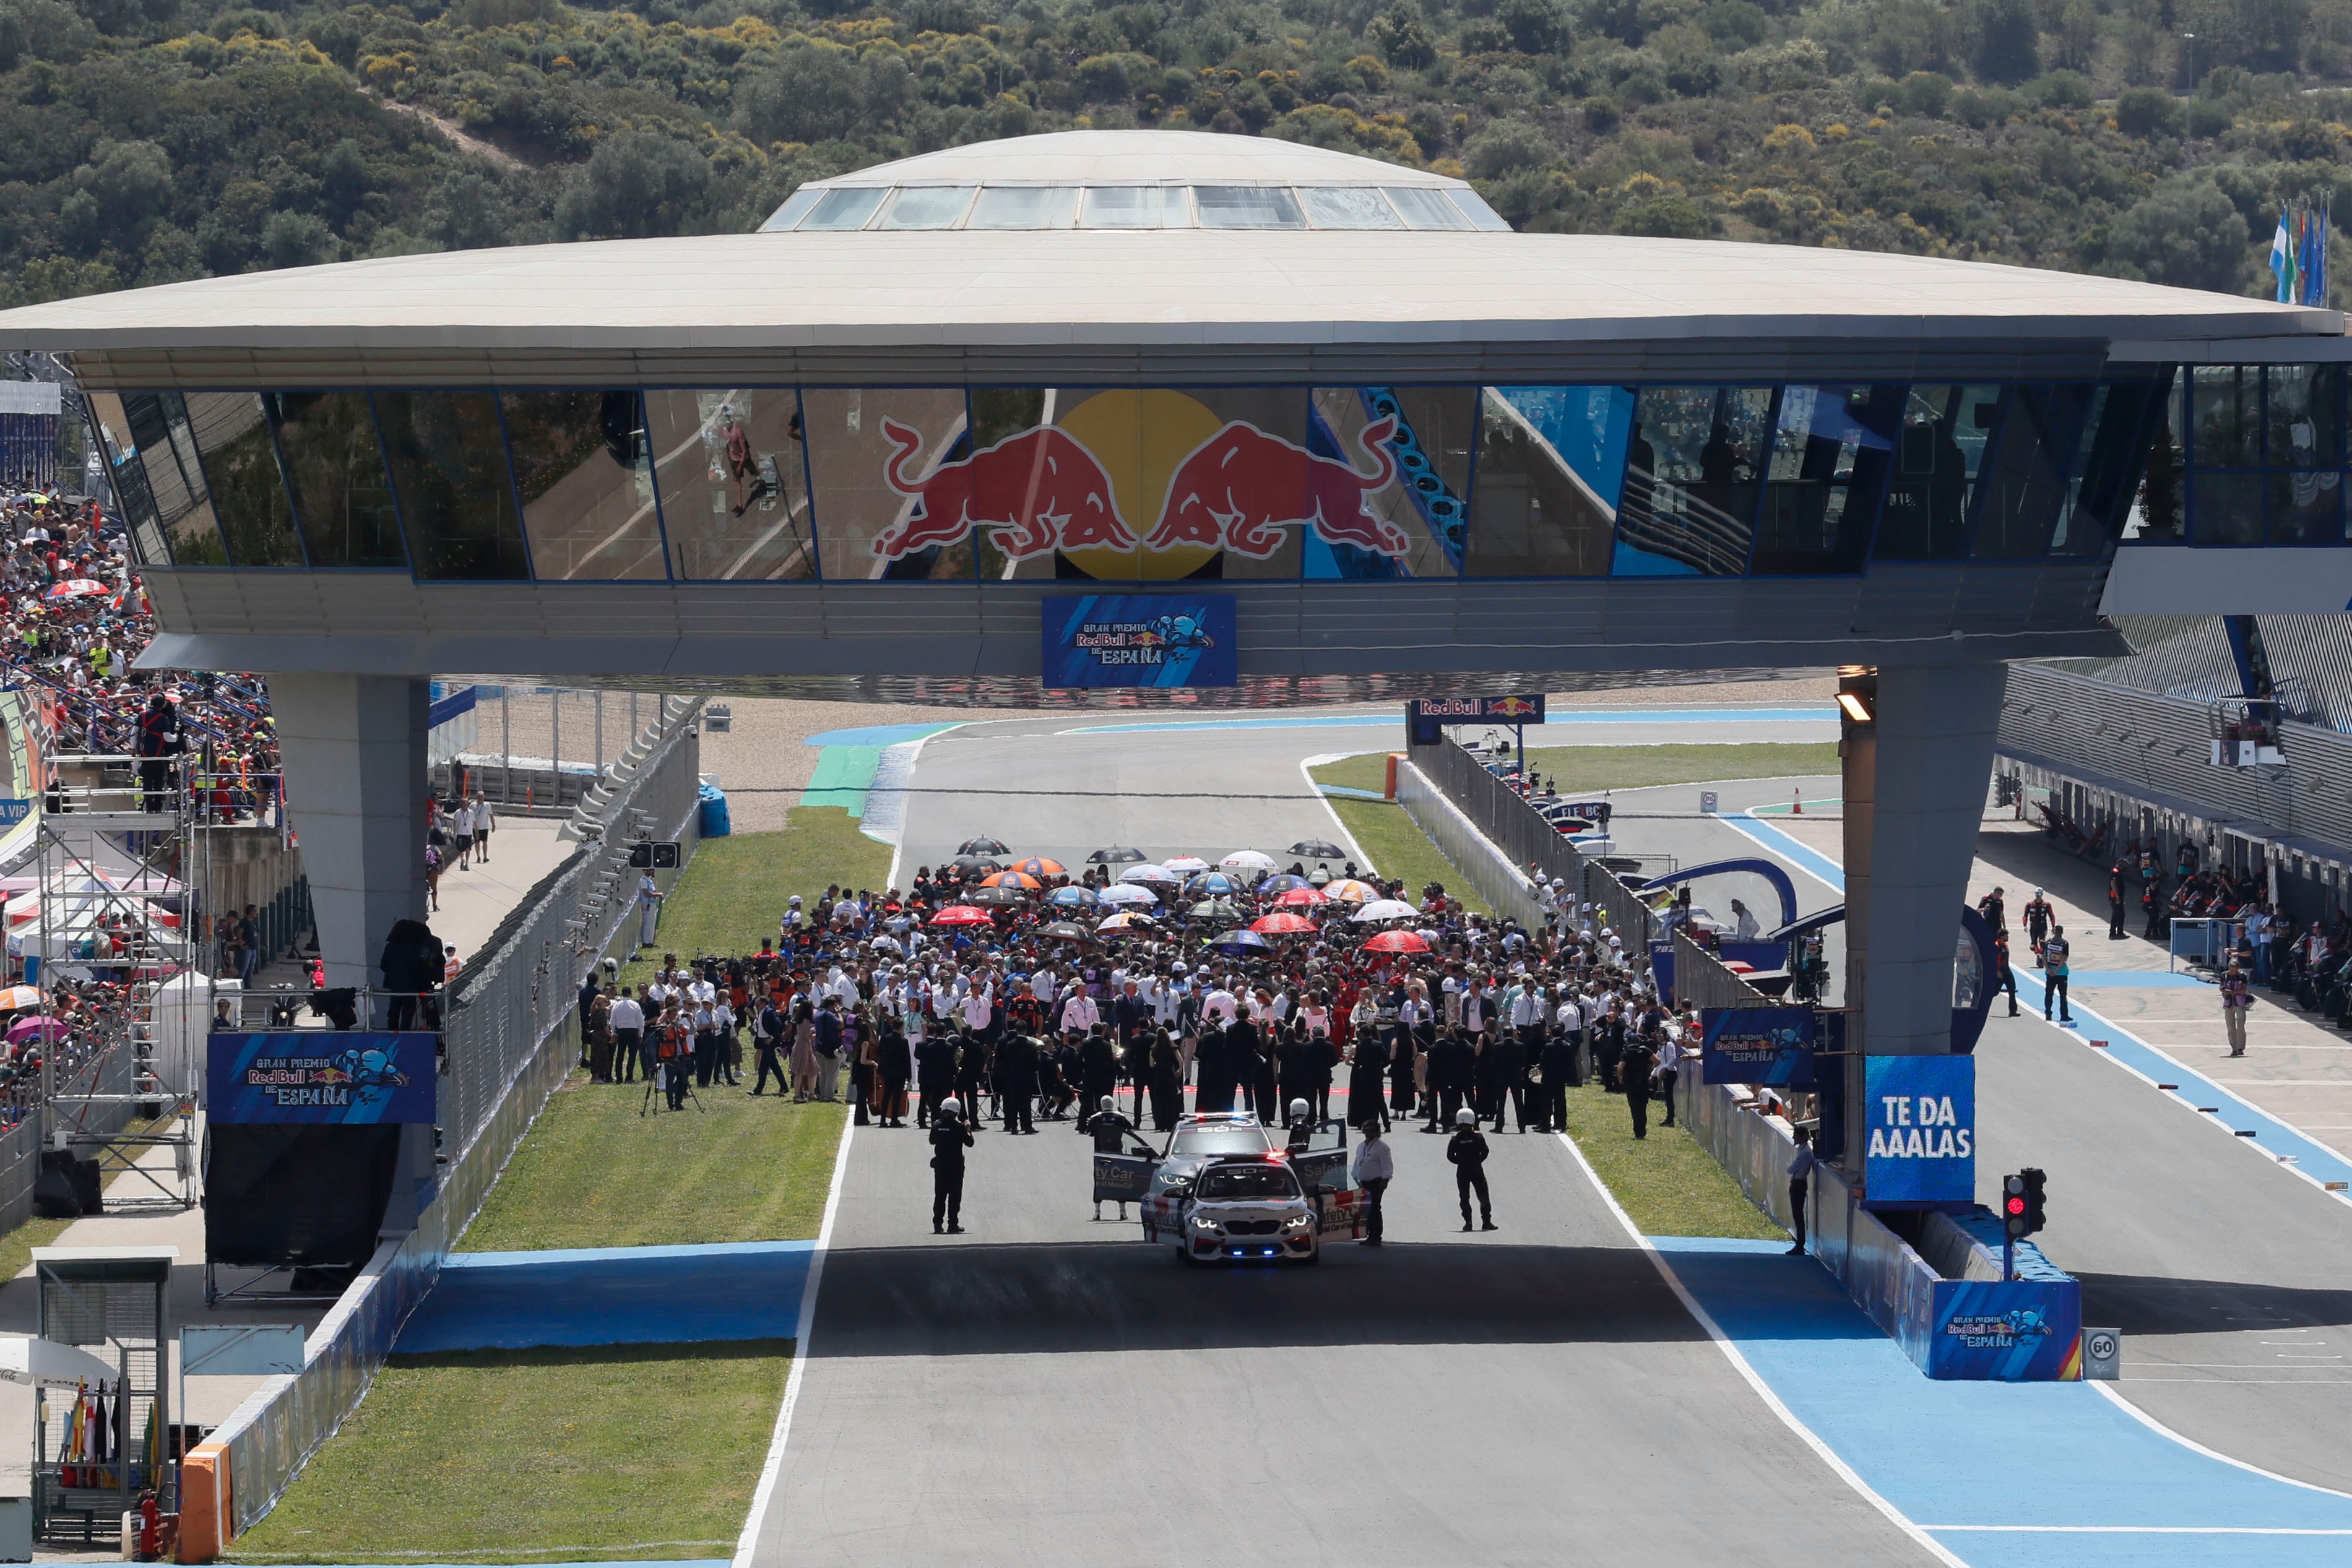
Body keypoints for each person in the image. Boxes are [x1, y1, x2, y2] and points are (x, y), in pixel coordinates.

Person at [1087, 1095, 1142, 1218]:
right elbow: (1131, 1131)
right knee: (1120, 1181)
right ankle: (1123, 1212)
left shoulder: (1096, 1118)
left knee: (1099, 1181)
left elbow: (1089, 1131)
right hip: (1117, 1154)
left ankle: (1097, 1213)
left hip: (1101, 1154)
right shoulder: (1120, 1118)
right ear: (1112, 1105)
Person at [1446, 1106, 1495, 1231]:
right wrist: (1477, 1161)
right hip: (1476, 1170)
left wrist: (1461, 1162)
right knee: (1483, 1195)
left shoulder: (1455, 1139)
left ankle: (1468, 1223)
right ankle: (1486, 1221)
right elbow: (1485, 1152)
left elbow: (1450, 1156)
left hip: (1462, 1171)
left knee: (1464, 1197)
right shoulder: (1478, 1137)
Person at [930, 1097, 973, 1234]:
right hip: (955, 1166)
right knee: (954, 1195)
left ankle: (938, 1224)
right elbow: (970, 1143)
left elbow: (932, 1141)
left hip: (940, 1165)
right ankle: (953, 1224)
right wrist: (968, 1129)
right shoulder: (959, 1127)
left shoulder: (937, 1125)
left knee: (940, 1194)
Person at [1351, 1118, 1392, 1247]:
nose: (1369, 1133)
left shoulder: (1382, 1147)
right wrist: (1355, 1177)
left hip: (1376, 1182)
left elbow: (1388, 1166)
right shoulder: (1361, 1146)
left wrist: (1385, 1180)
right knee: (1366, 1209)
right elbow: (1358, 1162)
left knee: (1375, 1208)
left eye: (1372, 1131)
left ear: (1378, 1132)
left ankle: (1376, 1236)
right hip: (1364, 1182)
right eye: (1367, 1130)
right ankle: (1369, 1235)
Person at [1619, 1028, 1658, 1140]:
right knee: (1643, 1107)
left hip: (1631, 1083)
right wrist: (1650, 1070)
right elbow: (1657, 1061)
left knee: (1635, 1108)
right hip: (1643, 1083)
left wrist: (1620, 1078)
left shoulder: (1626, 1053)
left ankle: (1638, 1133)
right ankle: (1643, 1131)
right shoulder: (1645, 1051)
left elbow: (1621, 1067)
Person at [998, 1030, 1037, 1134]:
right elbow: (1035, 1063)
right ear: (1025, 1030)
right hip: (1027, 1078)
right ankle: (1027, 1126)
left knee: (1014, 1103)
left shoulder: (1010, 1045)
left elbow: (1006, 1062)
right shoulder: (1030, 1045)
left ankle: (1013, 1127)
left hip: (1013, 1078)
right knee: (1026, 1103)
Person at [1786, 1126, 1816, 1256]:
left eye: (1796, 1135)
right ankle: (1799, 1243)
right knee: (1797, 1215)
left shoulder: (1806, 1153)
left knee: (1798, 1215)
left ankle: (1800, 1245)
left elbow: (1791, 1169)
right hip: (1798, 1183)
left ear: (1803, 1137)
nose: (1793, 1137)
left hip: (1799, 1184)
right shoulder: (1803, 1151)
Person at [751, 990, 787, 1096]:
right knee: (775, 1066)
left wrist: (772, 1036)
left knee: (763, 1067)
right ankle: (784, 1087)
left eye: (758, 1004)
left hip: (768, 1042)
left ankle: (758, 1090)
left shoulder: (769, 1012)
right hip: (762, 1041)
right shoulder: (761, 1013)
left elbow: (779, 1025)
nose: (756, 1006)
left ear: (764, 1004)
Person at [610, 986, 644, 1083]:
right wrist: (641, 1034)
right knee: (632, 1054)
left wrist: (614, 1033)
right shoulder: (635, 1005)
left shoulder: (617, 1005)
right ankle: (629, 1077)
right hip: (633, 1031)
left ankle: (619, 1077)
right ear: (631, 994)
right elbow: (640, 1021)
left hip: (621, 1031)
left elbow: (613, 1021)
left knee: (620, 1054)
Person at [2042, 925, 2073, 1024]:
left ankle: (2048, 1014)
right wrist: (2056, 970)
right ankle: (2064, 1015)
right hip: (2061, 973)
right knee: (2063, 995)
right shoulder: (2064, 943)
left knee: (2049, 994)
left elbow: (2043, 957)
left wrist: (2049, 969)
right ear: (2062, 932)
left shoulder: (2048, 943)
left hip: (2049, 973)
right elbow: (2063, 958)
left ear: (2054, 932)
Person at [2221, 959, 2252, 1057]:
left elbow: (2243, 990)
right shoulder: (2224, 975)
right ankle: (2234, 1048)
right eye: (2232, 968)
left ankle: (2240, 1047)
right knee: (2230, 1027)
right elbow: (2221, 988)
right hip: (2229, 1003)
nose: (2234, 970)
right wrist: (2226, 991)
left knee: (2240, 1025)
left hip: (2240, 1003)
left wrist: (2231, 992)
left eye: (2236, 968)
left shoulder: (2242, 976)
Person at [2108, 864, 2127, 940]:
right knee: (2118, 915)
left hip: (2117, 897)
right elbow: (2113, 884)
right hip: (2115, 898)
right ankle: (2115, 933)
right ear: (2122, 865)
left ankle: (2119, 932)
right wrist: (2117, 897)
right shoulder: (2115, 872)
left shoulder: (2117, 871)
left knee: (2119, 915)